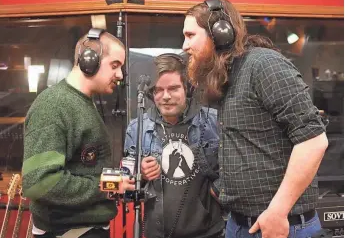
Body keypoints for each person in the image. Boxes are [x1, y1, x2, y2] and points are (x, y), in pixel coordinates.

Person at [182, 0, 329, 238]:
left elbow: (313, 140)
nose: (185, 45)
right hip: (239, 225)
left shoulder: (264, 64)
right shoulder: (227, 77)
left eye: (190, 35)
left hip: (281, 225)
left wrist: (277, 212)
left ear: (221, 33)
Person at [22, 28, 135, 238]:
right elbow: (39, 183)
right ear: (88, 61)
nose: (119, 75)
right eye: (115, 65)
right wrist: (106, 186)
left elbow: (83, 169)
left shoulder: (82, 102)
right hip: (68, 232)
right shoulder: (54, 106)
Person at [124, 53, 225, 238]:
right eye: (159, 90)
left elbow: (234, 169)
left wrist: (218, 190)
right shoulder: (137, 128)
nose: (166, 96)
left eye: (173, 88)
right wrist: (141, 173)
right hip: (157, 233)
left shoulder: (214, 123)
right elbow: (125, 184)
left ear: (188, 89)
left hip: (209, 233)